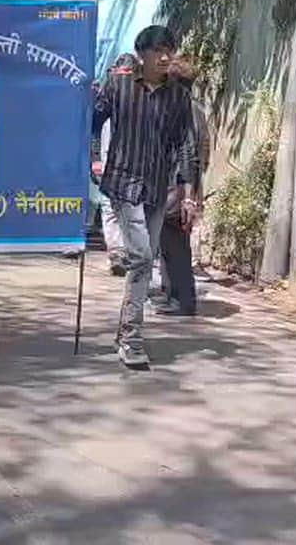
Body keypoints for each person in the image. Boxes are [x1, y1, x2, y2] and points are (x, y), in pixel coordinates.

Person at [92, 25, 200, 370]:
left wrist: (187, 189)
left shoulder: (179, 96)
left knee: (146, 257)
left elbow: (186, 144)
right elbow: (92, 119)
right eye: (158, 51)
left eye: (170, 50)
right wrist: (93, 155)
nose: (166, 57)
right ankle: (131, 339)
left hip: (156, 186)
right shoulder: (119, 84)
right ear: (142, 54)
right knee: (140, 256)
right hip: (123, 183)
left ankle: (125, 332)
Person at [157, 56, 209, 316]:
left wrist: (186, 190)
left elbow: (187, 153)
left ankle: (182, 300)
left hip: (177, 189)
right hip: (187, 187)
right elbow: (206, 151)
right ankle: (172, 295)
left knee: (175, 246)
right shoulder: (196, 110)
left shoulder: (183, 110)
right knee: (171, 245)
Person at [87, 53, 137, 274]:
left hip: (136, 161)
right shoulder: (107, 98)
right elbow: (94, 128)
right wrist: (96, 158)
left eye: (129, 75)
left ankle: (128, 251)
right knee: (109, 207)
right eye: (121, 75)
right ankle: (117, 252)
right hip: (108, 158)